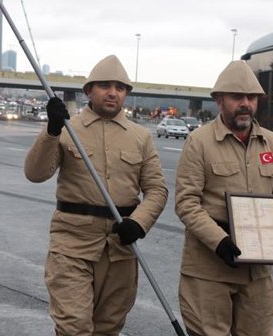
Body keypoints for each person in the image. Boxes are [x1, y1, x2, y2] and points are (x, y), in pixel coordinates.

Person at [24, 54, 168, 336]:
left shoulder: (140, 137)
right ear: (89, 90)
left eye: (120, 87)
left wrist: (139, 223)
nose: (113, 92)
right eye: (104, 85)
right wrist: (52, 131)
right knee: (74, 327)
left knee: (108, 328)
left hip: (121, 248)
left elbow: (157, 189)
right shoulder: (67, 128)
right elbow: (35, 173)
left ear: (126, 94)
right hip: (72, 246)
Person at [174, 60, 273, 336]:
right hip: (209, 270)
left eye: (251, 97)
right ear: (219, 101)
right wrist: (220, 242)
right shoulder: (200, 142)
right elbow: (186, 203)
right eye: (237, 97)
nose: (246, 104)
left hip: (257, 273)